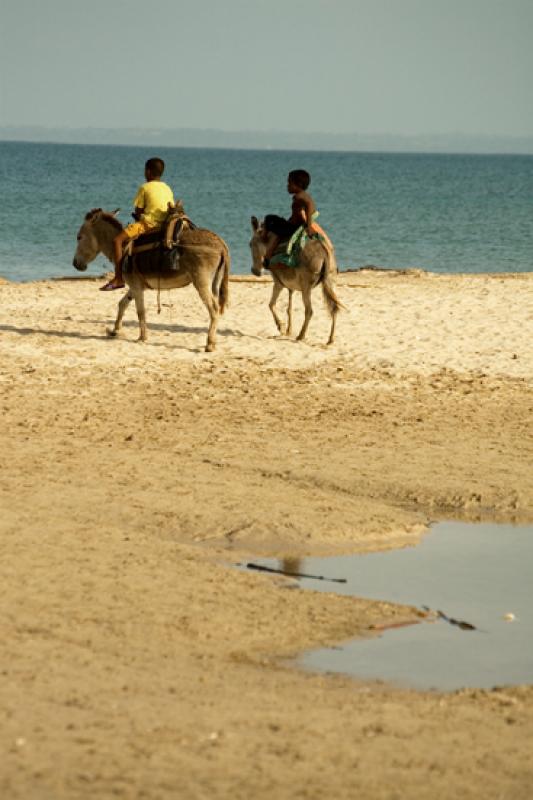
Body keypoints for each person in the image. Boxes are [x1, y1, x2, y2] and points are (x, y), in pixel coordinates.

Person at [100, 157, 175, 290]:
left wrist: (141, 214)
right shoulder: (167, 187)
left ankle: (118, 278)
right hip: (165, 224)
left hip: (149, 224)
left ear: (148, 172)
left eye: (145, 171)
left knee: (117, 240)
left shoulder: (144, 187)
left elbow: (138, 210)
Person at [262, 169, 318, 268]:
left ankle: (267, 255)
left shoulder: (299, 197)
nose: (287, 185)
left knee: (269, 219)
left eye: (289, 183)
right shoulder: (305, 196)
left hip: (293, 227)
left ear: (298, 185)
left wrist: (308, 226)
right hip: (293, 224)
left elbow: (308, 206)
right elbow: (299, 213)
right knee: (276, 221)